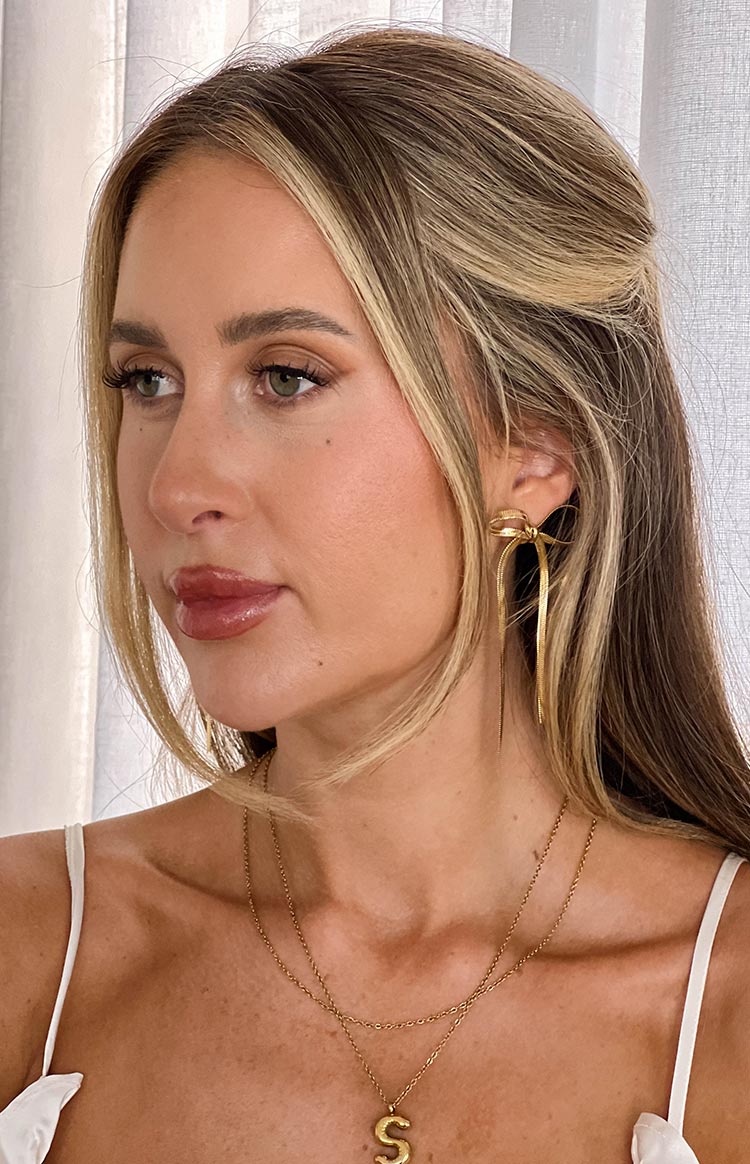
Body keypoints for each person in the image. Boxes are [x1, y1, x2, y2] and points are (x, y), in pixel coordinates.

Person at [1, 23, 748, 1164]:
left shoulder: (721, 1004)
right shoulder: (30, 952)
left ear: (536, 446)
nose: (175, 485)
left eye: (286, 377)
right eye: (147, 381)